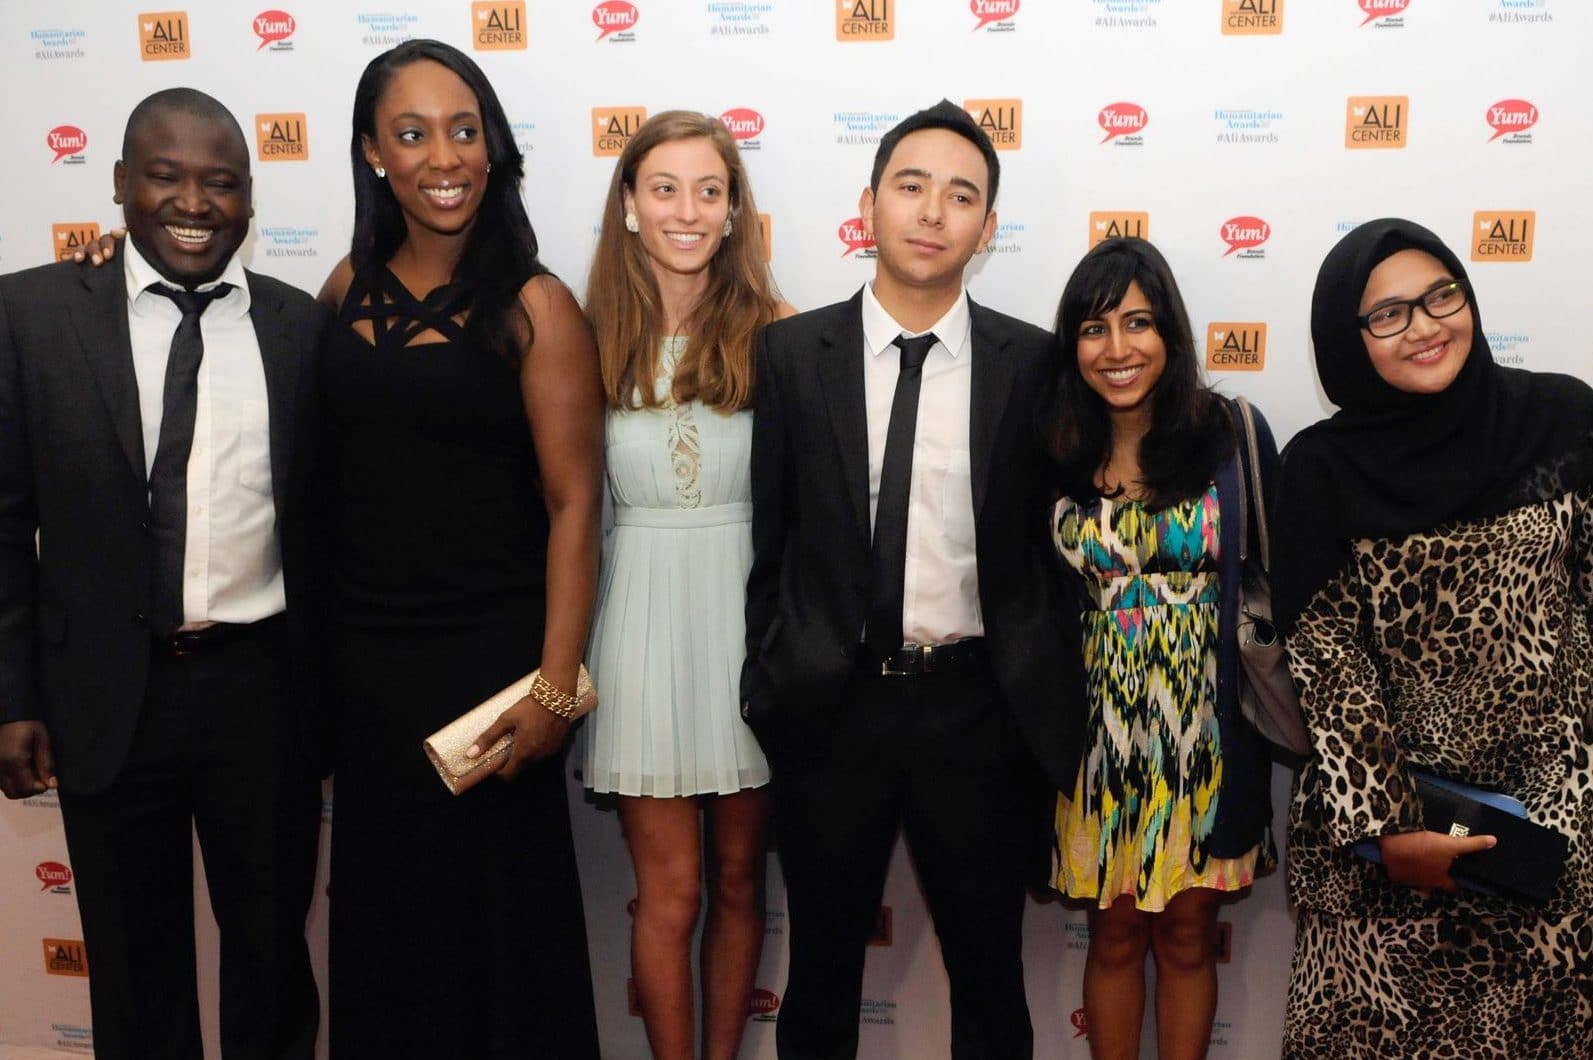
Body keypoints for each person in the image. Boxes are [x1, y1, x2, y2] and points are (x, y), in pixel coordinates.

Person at [742, 99, 1076, 1060]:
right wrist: (775, 674)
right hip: (830, 707)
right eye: (912, 186)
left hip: (975, 711)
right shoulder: (794, 355)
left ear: (987, 227)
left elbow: (1047, 557)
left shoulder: (1033, 363)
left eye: (960, 194)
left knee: (990, 987)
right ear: (870, 204)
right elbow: (773, 541)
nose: (933, 210)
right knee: (818, 985)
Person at [0, 89, 326, 1058]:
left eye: (221, 181)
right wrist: (13, 690)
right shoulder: (32, 315)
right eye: (166, 174)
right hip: (106, 693)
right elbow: (4, 520)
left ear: (249, 200)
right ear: (119, 186)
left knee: (271, 960)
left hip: (262, 692)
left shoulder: (301, 330)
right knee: (136, 977)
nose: (195, 201)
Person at [314, 40, 604, 1057]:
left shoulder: (536, 306)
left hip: (492, 677)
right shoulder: (345, 286)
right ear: (372, 154)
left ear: (494, 149)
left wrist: (555, 690)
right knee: (393, 932)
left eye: (464, 128)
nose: (445, 155)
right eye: (412, 131)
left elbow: (576, 506)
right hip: (368, 674)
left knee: (500, 941)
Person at [1273, 218, 1593, 1058]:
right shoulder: (1318, 467)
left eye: (1439, 295)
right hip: (1390, 846)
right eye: (1386, 314)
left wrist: (1572, 789)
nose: (1423, 325)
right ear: (1348, 342)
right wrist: (1387, 828)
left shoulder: (1560, 417)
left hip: (1553, 839)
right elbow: (1327, 658)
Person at [581, 110, 792, 1060]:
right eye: (664, 187)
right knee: (670, 891)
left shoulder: (779, 336)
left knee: (743, 879)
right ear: (629, 204)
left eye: (710, 190)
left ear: (733, 208)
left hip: (747, 628)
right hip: (635, 626)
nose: (687, 209)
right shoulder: (579, 338)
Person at [1045, 237, 1276, 1060]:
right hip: (1095, 740)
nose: (1118, 349)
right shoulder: (1053, 450)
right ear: (1071, 343)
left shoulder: (1228, 435)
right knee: (1110, 941)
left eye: (1137, 323)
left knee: (1185, 939)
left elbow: (1273, 587)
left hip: (1207, 736)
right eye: (1094, 327)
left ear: (1170, 334)